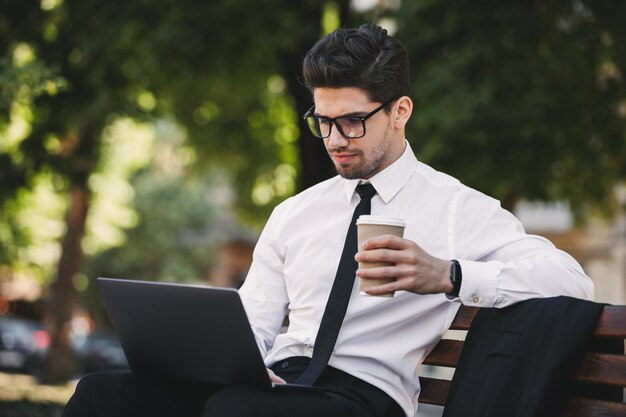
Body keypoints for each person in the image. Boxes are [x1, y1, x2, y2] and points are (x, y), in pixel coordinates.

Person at [63, 23, 594, 417]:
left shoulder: (456, 208)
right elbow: (256, 319)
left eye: (354, 122)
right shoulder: (296, 213)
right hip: (278, 387)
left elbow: (572, 281)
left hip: (364, 397)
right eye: (323, 122)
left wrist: (450, 274)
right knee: (104, 395)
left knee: (238, 411)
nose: (336, 140)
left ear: (400, 111)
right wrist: (232, 360)